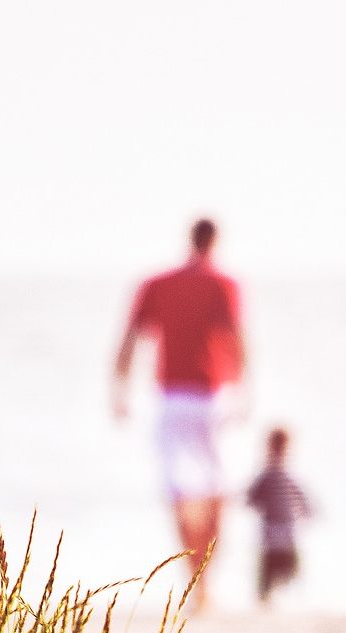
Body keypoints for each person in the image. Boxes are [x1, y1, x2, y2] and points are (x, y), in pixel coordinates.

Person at [113, 218, 246, 609]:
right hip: (214, 396)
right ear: (215, 241)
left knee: (180, 492)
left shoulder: (156, 284)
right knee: (217, 492)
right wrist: (246, 390)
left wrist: (119, 390)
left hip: (171, 399)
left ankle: (196, 580)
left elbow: (129, 340)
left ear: (189, 239)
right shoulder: (224, 284)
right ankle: (206, 582)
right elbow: (238, 340)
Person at [246, 425, 314, 604]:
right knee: (282, 564)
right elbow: (302, 498)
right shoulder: (279, 475)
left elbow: (252, 498)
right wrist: (307, 513)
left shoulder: (270, 474)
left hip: (278, 528)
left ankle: (274, 595)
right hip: (282, 528)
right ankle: (273, 595)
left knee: (275, 565)